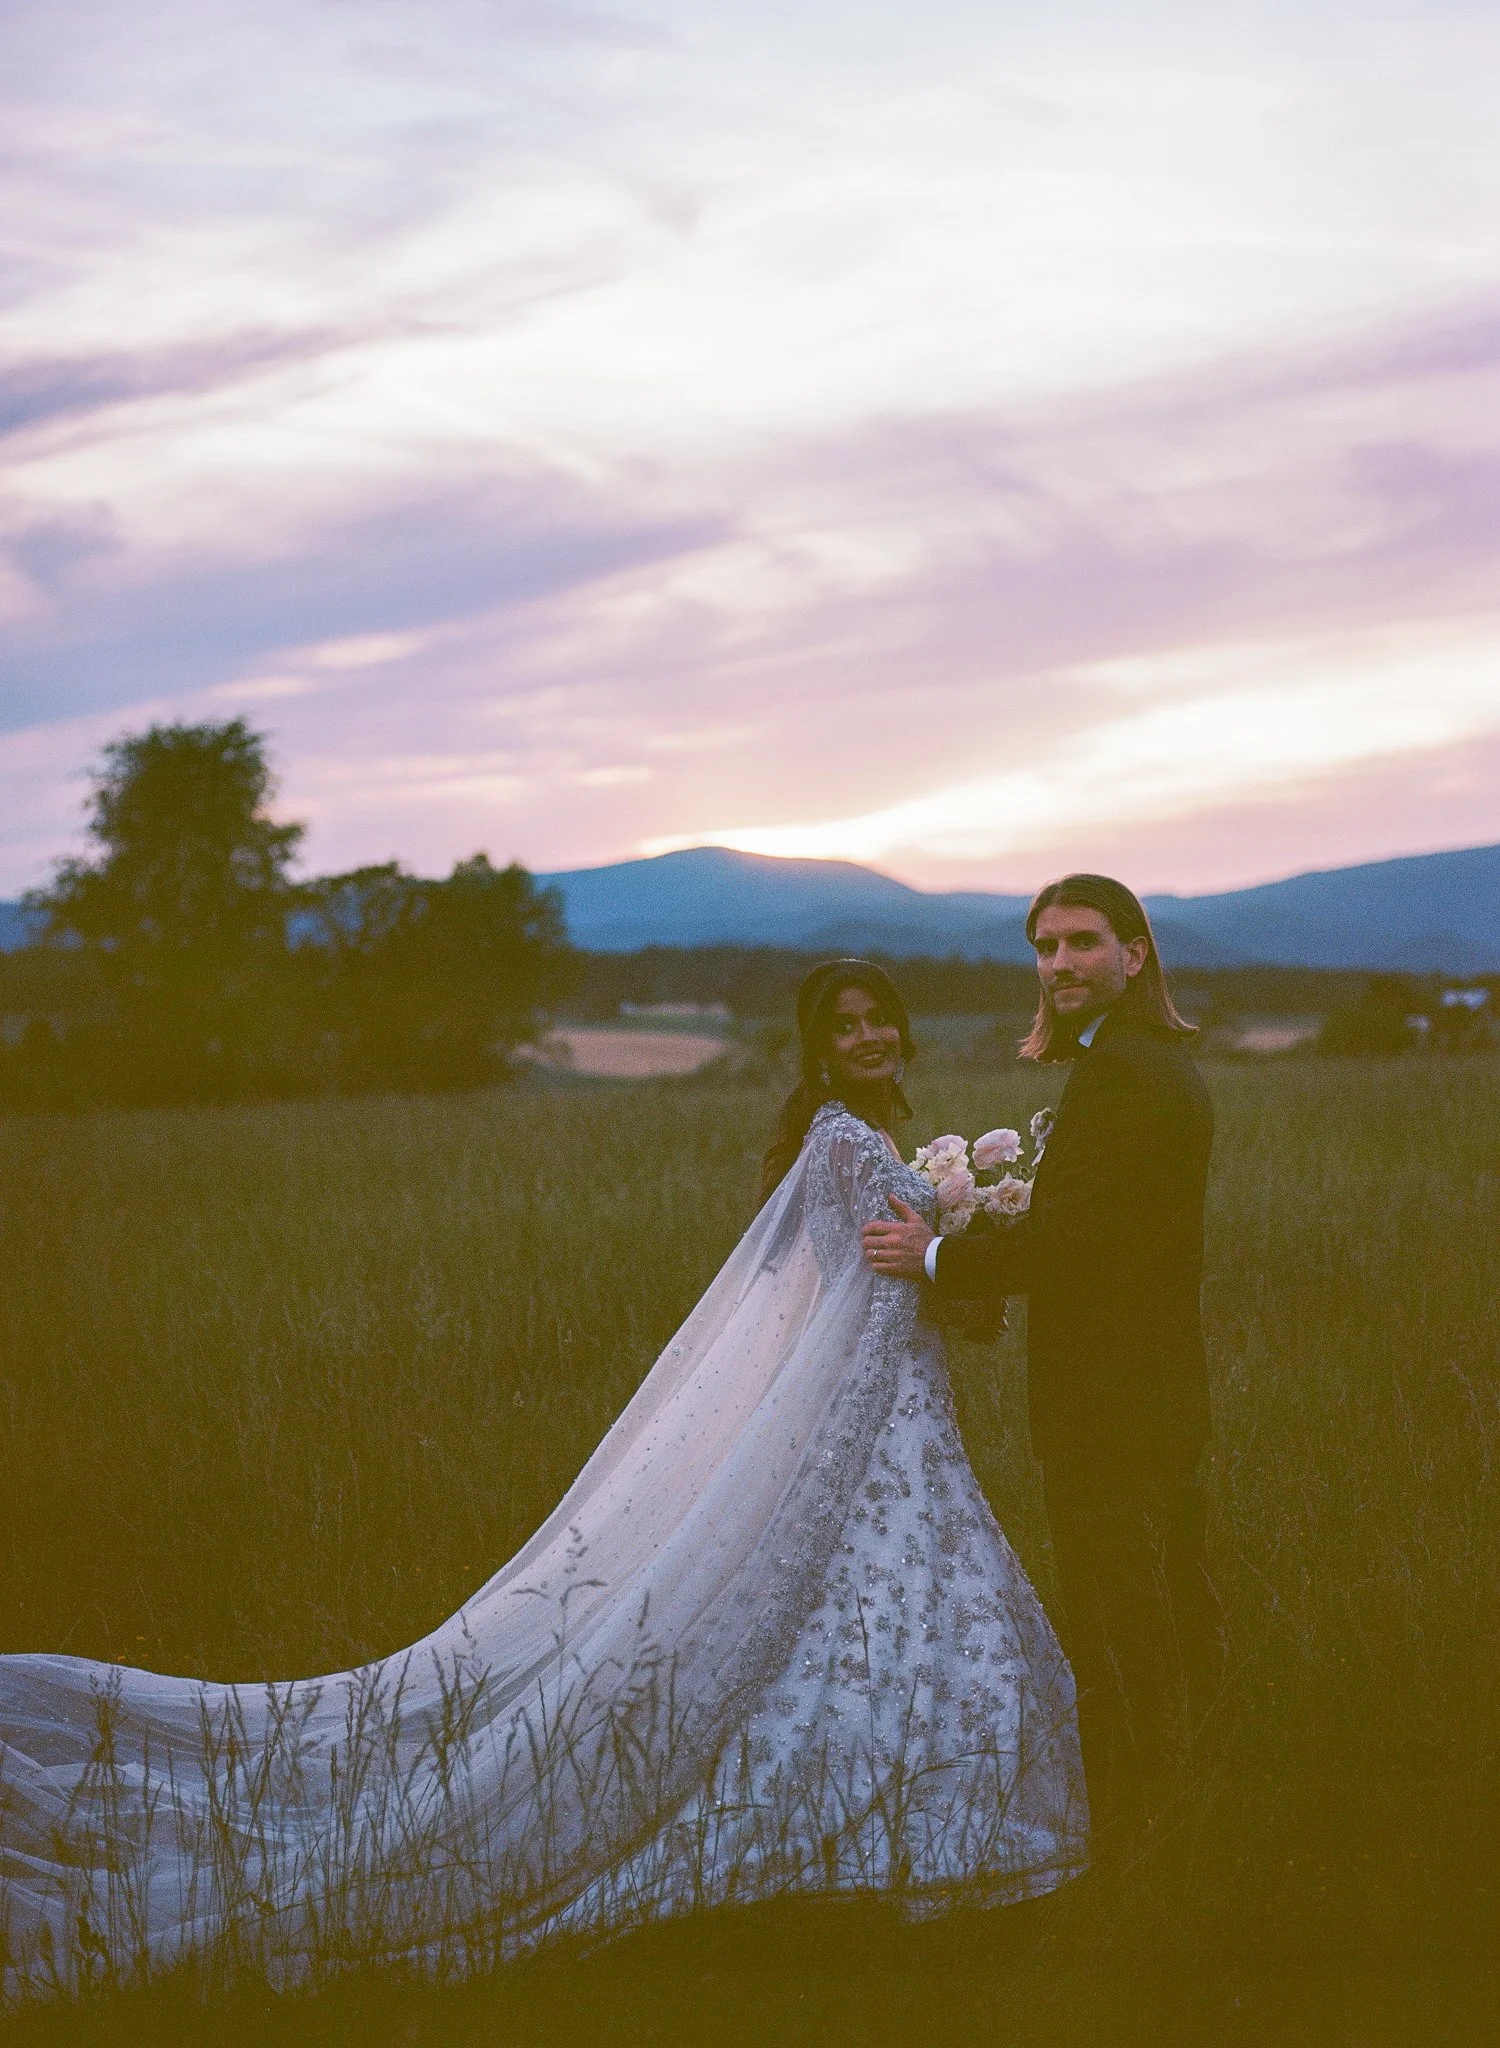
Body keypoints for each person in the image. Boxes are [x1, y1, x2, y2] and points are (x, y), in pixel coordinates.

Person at [0, 958, 1085, 1999]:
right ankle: (874, 1822)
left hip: (902, 1404)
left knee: (884, 1611)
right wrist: (949, 1264)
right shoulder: (843, 1136)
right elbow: (866, 1290)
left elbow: (873, 1279)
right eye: (844, 1026)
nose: (868, 1036)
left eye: (879, 1017)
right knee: (865, 1604)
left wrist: (957, 1258)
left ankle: (891, 1809)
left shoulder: (873, 1132)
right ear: (818, 1046)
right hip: (878, 1414)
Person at [862, 878, 1225, 1830]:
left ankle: (1148, 1806)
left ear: (1133, 956)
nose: (1060, 963)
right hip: (1150, 1383)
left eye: (1082, 943)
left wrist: (936, 1255)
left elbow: (1075, 1244)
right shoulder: (1143, 1062)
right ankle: (1194, 1779)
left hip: (1113, 1394)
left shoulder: (1125, 1075)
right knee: (1165, 1594)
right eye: (1046, 945)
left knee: (1123, 1606)